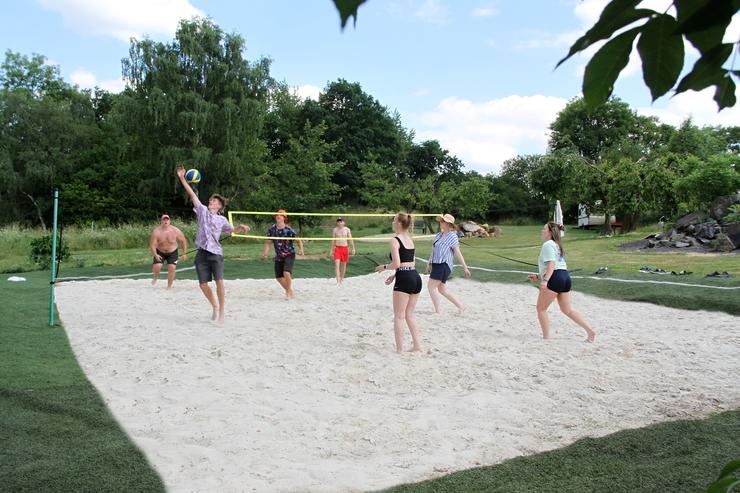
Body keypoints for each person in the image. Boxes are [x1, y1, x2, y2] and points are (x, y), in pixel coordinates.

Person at [176, 166, 250, 323]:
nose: (210, 201)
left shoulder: (222, 220)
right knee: (203, 285)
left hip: (216, 253)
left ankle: (222, 311)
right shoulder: (202, 211)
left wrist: (240, 227)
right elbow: (191, 194)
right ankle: (214, 306)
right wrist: (182, 178)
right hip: (202, 253)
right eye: (210, 200)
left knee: (220, 283)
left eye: (214, 201)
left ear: (219, 206)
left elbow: (230, 231)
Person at [527, 222, 596, 342]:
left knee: (540, 308)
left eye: (544, 229)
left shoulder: (548, 244)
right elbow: (556, 266)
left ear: (550, 232)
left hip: (555, 277)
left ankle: (546, 338)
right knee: (567, 310)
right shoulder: (556, 244)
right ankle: (590, 331)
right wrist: (539, 276)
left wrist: (545, 280)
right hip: (565, 276)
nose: (541, 231)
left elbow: (552, 265)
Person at [374, 213, 422, 353]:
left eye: (394, 220)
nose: (393, 222)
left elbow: (397, 263)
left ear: (399, 223)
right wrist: (396, 274)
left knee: (399, 316)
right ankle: (418, 346)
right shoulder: (410, 239)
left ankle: (400, 349)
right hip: (415, 277)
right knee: (410, 315)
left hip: (405, 278)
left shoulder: (395, 240)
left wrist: (383, 267)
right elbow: (410, 262)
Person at [424, 213, 472, 315]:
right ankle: (461, 306)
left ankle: (438, 311)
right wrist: (429, 263)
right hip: (436, 264)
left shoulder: (453, 236)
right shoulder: (438, 235)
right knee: (442, 290)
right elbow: (433, 250)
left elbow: (458, 253)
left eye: (443, 221)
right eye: (440, 221)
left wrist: (465, 267)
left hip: (444, 265)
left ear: (449, 224)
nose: (440, 222)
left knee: (431, 287)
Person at [261, 209, 304, 300]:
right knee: (279, 277)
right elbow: (268, 242)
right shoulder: (272, 229)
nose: (278, 216)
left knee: (286, 272)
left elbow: (298, 240)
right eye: (277, 215)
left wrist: (301, 249)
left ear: (284, 218)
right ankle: (289, 290)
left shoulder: (289, 230)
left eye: (281, 215)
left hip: (289, 254)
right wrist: (265, 253)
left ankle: (288, 292)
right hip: (279, 255)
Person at [150, 213, 188, 288]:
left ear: (170, 221)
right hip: (160, 251)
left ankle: (169, 286)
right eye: (164, 220)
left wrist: (184, 253)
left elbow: (183, 241)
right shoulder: (156, 231)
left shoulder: (175, 230)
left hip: (172, 252)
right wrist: (155, 255)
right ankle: (155, 277)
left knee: (172, 267)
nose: (166, 221)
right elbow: (152, 245)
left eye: (167, 219)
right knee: (157, 266)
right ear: (161, 221)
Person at [330, 217, 356, 285]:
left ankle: (341, 279)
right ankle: (338, 281)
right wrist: (331, 250)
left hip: (345, 248)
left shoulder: (347, 229)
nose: (339, 222)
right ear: (337, 223)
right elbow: (333, 240)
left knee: (343, 265)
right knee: (337, 264)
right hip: (337, 248)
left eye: (341, 221)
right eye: (338, 221)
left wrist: (353, 248)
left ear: (344, 222)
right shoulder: (335, 229)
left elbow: (350, 239)